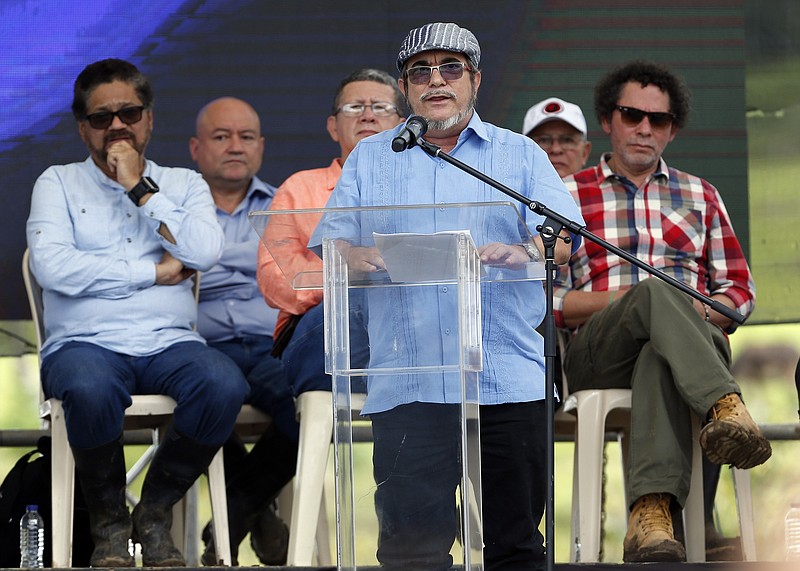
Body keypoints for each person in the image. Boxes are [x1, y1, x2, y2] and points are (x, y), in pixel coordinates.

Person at [310, 23, 584, 570]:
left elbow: (564, 240)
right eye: (420, 72)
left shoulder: (520, 155)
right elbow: (332, 245)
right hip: (407, 377)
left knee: (516, 547)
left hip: (504, 375)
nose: (436, 81)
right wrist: (361, 257)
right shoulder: (371, 158)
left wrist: (524, 250)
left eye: (450, 68)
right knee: (412, 551)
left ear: (475, 80)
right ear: (406, 88)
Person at [25, 59, 249, 567]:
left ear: (149, 119)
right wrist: (152, 272)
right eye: (102, 118)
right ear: (83, 128)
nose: (117, 126)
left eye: (129, 113)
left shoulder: (184, 184)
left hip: (169, 341)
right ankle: (106, 521)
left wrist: (139, 188)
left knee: (223, 385)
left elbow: (204, 252)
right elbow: (54, 268)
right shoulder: (56, 183)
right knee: (87, 386)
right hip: (83, 343)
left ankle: (153, 511)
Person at [553, 60, 771, 563]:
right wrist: (644, 301)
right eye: (632, 115)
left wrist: (679, 313)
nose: (645, 128)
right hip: (599, 350)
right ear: (609, 120)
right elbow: (553, 301)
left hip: (686, 350)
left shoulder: (703, 195)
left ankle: (650, 518)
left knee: (661, 352)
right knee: (656, 293)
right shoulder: (567, 194)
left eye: (660, 120)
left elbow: (738, 293)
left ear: (672, 130)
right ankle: (725, 406)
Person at [189, 97, 297, 565]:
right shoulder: (174, 210)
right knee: (202, 398)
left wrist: (203, 261)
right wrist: (254, 260)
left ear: (261, 146)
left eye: (246, 137)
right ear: (195, 148)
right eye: (221, 136)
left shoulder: (284, 206)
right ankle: (259, 513)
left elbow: (300, 276)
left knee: (311, 406)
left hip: (269, 343)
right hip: (198, 347)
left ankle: (234, 512)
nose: (235, 146)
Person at [257, 68, 405, 397]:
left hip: (403, 327)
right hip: (322, 331)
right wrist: (347, 273)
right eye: (354, 107)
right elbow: (274, 280)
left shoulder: (421, 190)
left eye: (380, 108)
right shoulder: (299, 188)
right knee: (364, 302)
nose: (367, 115)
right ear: (332, 126)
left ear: (402, 125)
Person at [522, 97, 592, 178]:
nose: (556, 149)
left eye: (567, 140)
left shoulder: (604, 190)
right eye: (544, 140)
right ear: (525, 152)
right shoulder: (505, 189)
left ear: (585, 153)